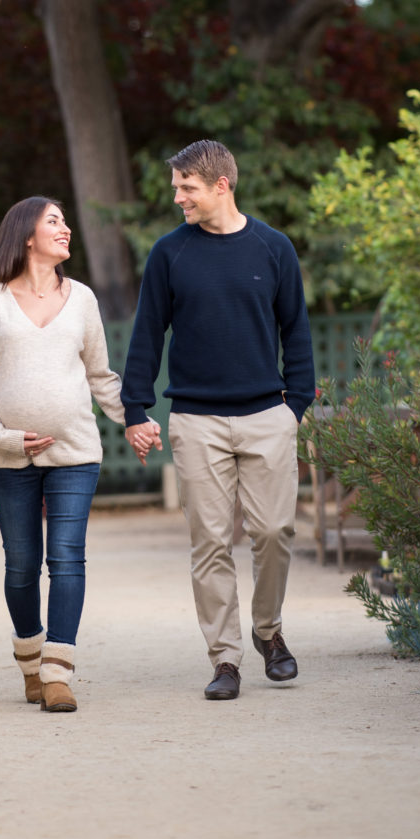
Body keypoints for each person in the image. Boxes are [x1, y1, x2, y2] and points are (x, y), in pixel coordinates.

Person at [122, 139, 315, 701]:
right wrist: (136, 408)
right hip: (196, 419)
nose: (178, 196)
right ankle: (226, 659)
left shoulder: (274, 248)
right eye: (177, 186)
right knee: (209, 541)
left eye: (187, 187)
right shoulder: (169, 253)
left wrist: (294, 406)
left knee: (275, 532)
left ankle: (269, 634)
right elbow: (147, 333)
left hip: (266, 414)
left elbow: (296, 330)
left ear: (221, 186)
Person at [0, 196, 130, 713]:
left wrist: (135, 420)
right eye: (54, 221)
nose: (66, 229)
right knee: (21, 565)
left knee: (66, 558)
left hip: (75, 452)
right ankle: (30, 659)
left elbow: (101, 375)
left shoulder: (82, 299)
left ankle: (58, 673)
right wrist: (6, 437)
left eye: (64, 221)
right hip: (8, 459)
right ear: (26, 235)